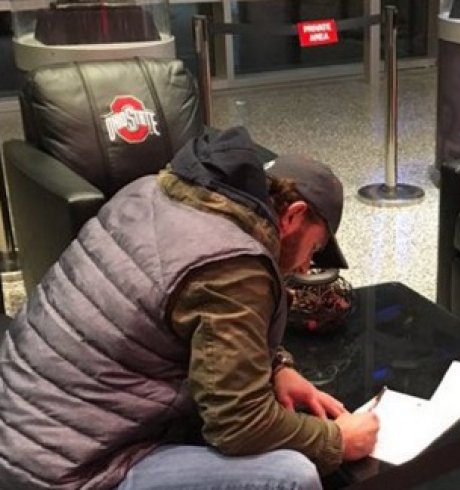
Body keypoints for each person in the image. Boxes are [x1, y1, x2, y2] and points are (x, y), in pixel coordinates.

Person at [0, 127, 379, 490]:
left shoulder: (154, 191)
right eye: (313, 250)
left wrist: (276, 366)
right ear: (293, 216)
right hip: (67, 473)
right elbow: (238, 425)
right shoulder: (234, 265)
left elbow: (180, 315)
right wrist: (336, 440)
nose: (303, 268)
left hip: (21, 429)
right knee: (292, 475)